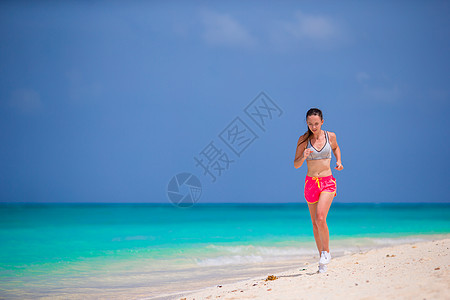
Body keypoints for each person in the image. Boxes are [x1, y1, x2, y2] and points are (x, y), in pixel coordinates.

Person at [294, 108, 344, 273]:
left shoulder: (331, 136)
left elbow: (336, 148)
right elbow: (296, 164)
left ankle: (327, 252)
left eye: (316, 123)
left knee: (321, 218)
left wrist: (338, 161)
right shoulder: (303, 140)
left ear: (322, 122)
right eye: (310, 124)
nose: (313, 127)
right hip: (310, 183)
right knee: (315, 223)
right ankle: (322, 262)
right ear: (306, 123)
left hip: (327, 182)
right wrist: (304, 156)